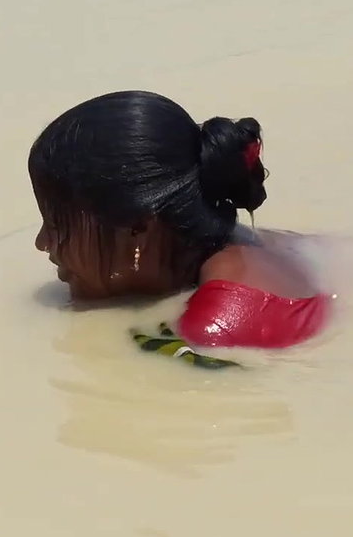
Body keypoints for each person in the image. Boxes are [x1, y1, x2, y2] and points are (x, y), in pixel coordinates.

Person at [28, 90, 331, 350]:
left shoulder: (219, 329)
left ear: (138, 227)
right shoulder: (239, 243)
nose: (42, 243)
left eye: (56, 224)